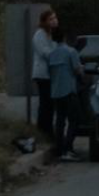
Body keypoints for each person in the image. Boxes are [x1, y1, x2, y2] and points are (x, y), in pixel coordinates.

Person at [46, 28, 85, 161]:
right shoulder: (71, 51)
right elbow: (77, 70)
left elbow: (50, 73)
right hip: (69, 91)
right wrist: (82, 76)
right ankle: (68, 148)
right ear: (64, 37)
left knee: (60, 121)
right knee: (76, 119)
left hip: (56, 92)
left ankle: (60, 149)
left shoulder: (51, 54)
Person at [31, 8, 58, 139]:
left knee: (50, 104)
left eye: (55, 18)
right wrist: (58, 55)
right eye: (51, 19)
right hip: (42, 74)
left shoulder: (52, 34)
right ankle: (42, 130)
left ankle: (48, 129)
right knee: (45, 103)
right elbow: (45, 52)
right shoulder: (39, 34)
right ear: (45, 21)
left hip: (51, 74)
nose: (54, 21)